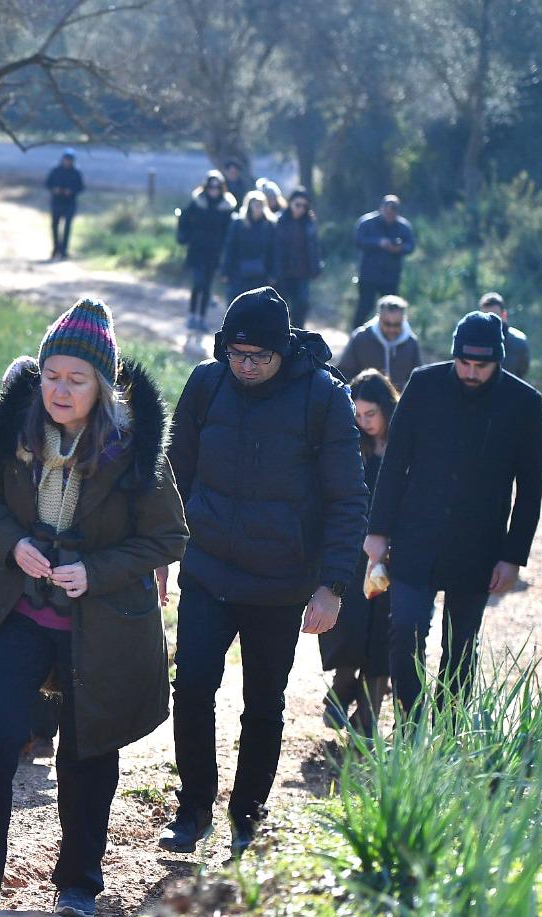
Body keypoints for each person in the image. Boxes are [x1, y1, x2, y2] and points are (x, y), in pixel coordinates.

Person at [0, 298, 187, 917]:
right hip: (18, 608)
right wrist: (13, 543)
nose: (60, 389)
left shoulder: (132, 446)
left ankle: (78, 883)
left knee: (87, 750)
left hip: (99, 623)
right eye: (52, 375)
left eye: (77, 379)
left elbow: (168, 538)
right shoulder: (12, 425)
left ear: (101, 385)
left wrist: (95, 571)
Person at [159, 287, 366, 855]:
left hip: (280, 581)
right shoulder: (206, 383)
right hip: (206, 568)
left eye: (259, 357)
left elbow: (348, 497)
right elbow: (175, 472)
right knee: (193, 686)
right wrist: (160, 551)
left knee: (263, 702)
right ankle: (192, 809)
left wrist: (333, 586)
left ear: (283, 352)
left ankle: (247, 811)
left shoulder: (322, 398)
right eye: (237, 353)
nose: (246, 366)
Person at [365, 312, 542, 715]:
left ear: (498, 359)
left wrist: (513, 556)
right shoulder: (424, 384)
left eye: (481, 366)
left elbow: (530, 491)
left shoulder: (523, 403)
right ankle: (410, 723)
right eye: (464, 363)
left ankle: (448, 731)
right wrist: (378, 530)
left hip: (479, 543)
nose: (470, 372)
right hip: (415, 535)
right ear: (454, 355)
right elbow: (395, 462)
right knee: (404, 630)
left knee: (462, 643)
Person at [0, 355, 60, 759]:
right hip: (8, 539)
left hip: (35, 541)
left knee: (40, 621)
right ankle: (27, 731)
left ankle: (39, 733)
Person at [319, 370, 400, 737]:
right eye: (359, 415)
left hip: (394, 553)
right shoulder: (352, 444)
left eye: (371, 415)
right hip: (354, 549)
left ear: (387, 409)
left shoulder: (403, 444)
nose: (364, 422)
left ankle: (368, 715)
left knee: (384, 631)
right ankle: (342, 686)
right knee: (350, 623)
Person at [176, 172, 237, 332]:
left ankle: (202, 318)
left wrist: (226, 250)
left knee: (207, 287)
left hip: (214, 253)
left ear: (222, 188)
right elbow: (183, 219)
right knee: (198, 283)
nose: (214, 189)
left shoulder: (226, 208)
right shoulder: (197, 203)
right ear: (206, 186)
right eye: (211, 186)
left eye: (217, 186)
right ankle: (192, 316)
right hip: (197, 251)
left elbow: (230, 232)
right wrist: (184, 236)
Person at [352, 195, 416, 327]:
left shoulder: (403, 226)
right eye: (387, 211)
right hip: (368, 274)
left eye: (393, 212)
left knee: (391, 309)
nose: (390, 215)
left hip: (390, 276)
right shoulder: (367, 222)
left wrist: (399, 248)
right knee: (365, 307)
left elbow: (411, 246)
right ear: (381, 208)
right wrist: (379, 243)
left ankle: (390, 336)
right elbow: (358, 240)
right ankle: (355, 338)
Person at [336, 295, 423, 389]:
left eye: (397, 324)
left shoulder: (411, 342)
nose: (391, 329)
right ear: (379, 318)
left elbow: (417, 378)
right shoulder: (361, 338)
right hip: (364, 401)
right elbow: (344, 372)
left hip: (399, 402)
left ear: (404, 319)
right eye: (387, 324)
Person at [273, 188, 322, 322]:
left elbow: (314, 247)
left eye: (304, 206)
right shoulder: (278, 220)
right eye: (297, 205)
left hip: (302, 271)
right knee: (280, 307)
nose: (300, 209)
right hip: (282, 271)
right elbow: (272, 248)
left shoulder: (309, 223)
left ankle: (296, 333)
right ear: (290, 203)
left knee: (302, 304)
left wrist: (316, 268)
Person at [219, 191, 276, 304]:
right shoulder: (238, 224)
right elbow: (230, 248)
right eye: (255, 205)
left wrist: (274, 273)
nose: (258, 208)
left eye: (260, 205)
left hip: (260, 275)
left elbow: (274, 251)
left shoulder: (269, 226)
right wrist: (225, 271)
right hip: (238, 274)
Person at [479, 291, 531, 382]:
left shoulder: (519, 343)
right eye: (485, 317)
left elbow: (522, 373)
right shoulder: (473, 342)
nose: (490, 321)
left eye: (495, 316)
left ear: (504, 315)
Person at [46, 149, 86, 260]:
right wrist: (55, 189)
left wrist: (71, 191)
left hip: (70, 203)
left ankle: (64, 251)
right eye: (66, 159)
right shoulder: (56, 171)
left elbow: (81, 187)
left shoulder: (76, 172)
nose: (67, 162)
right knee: (55, 226)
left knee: (67, 227)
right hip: (56, 202)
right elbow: (47, 183)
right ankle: (55, 249)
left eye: (70, 160)